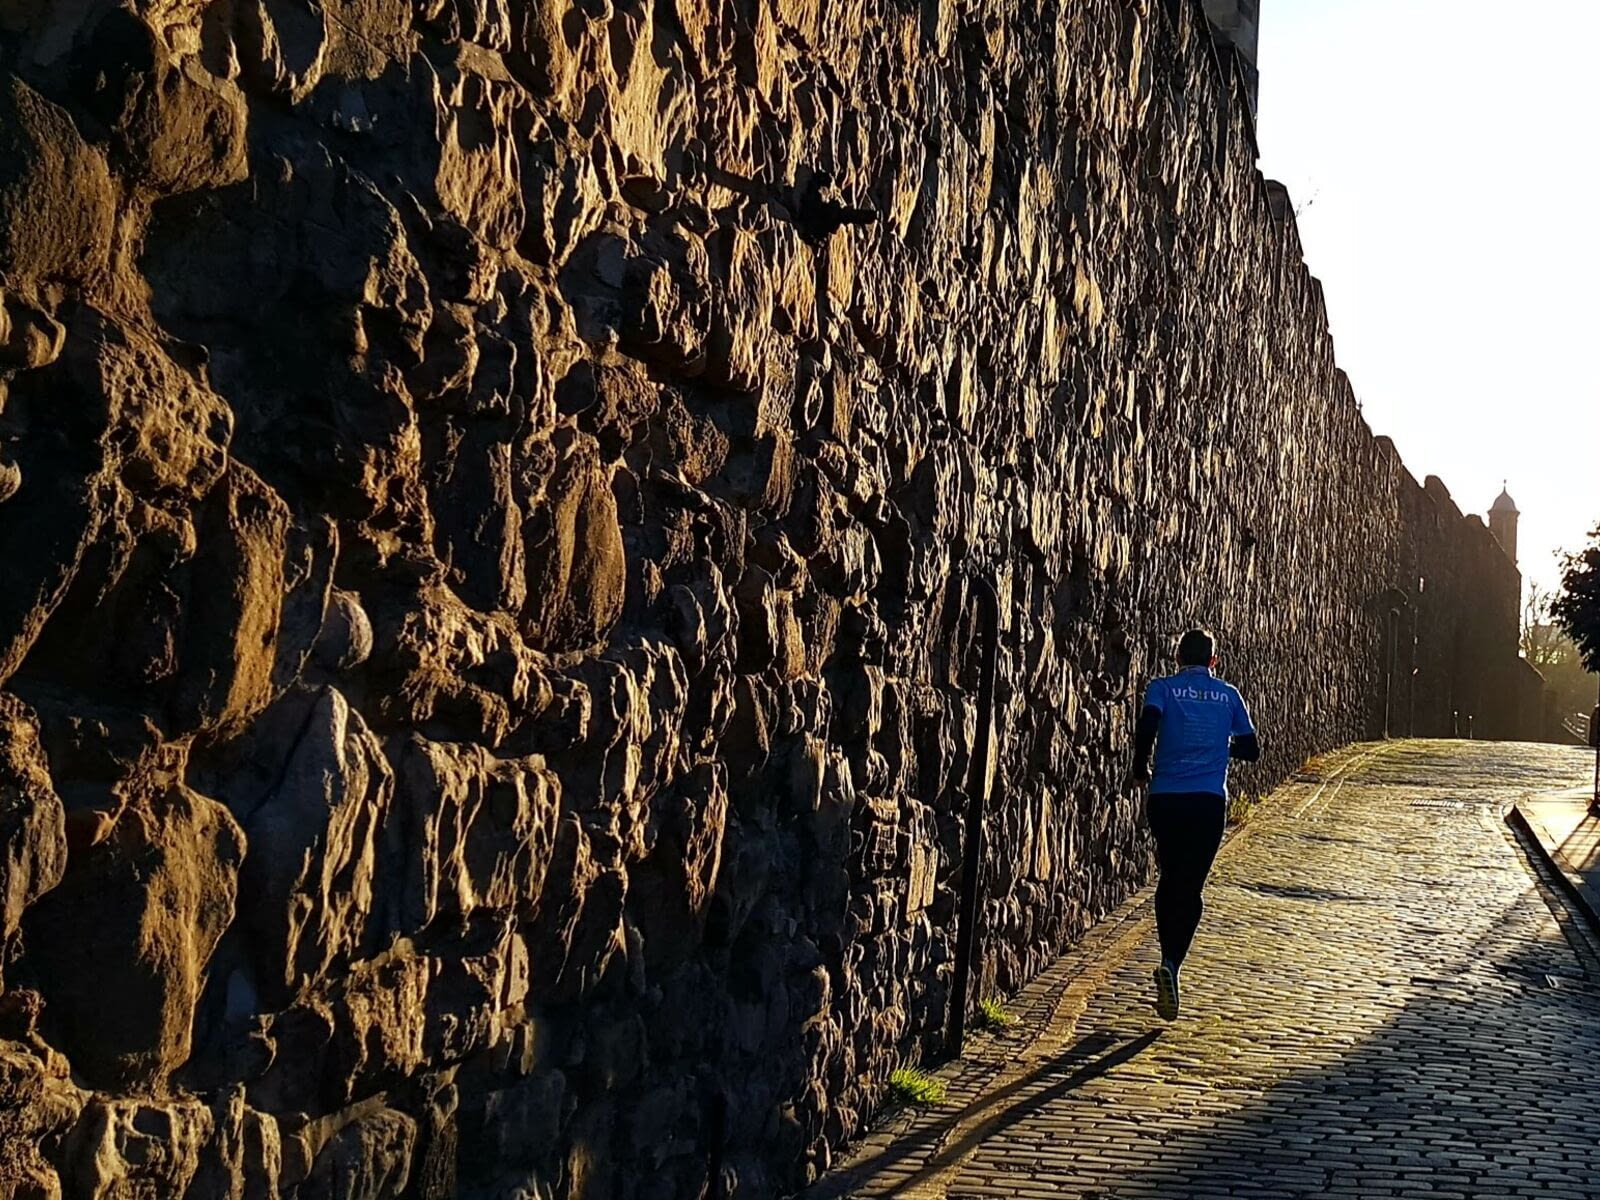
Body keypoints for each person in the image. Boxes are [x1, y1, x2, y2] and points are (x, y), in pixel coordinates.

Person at [1129, 628, 1260, 1019]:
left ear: (1177, 657)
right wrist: (1221, 744)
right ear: (1213, 662)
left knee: (1169, 877)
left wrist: (1140, 768)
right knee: (1192, 886)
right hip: (1207, 801)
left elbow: (1148, 725)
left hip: (1165, 798)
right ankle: (1172, 964)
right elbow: (1252, 750)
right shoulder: (1229, 695)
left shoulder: (1162, 688)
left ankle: (1166, 956)